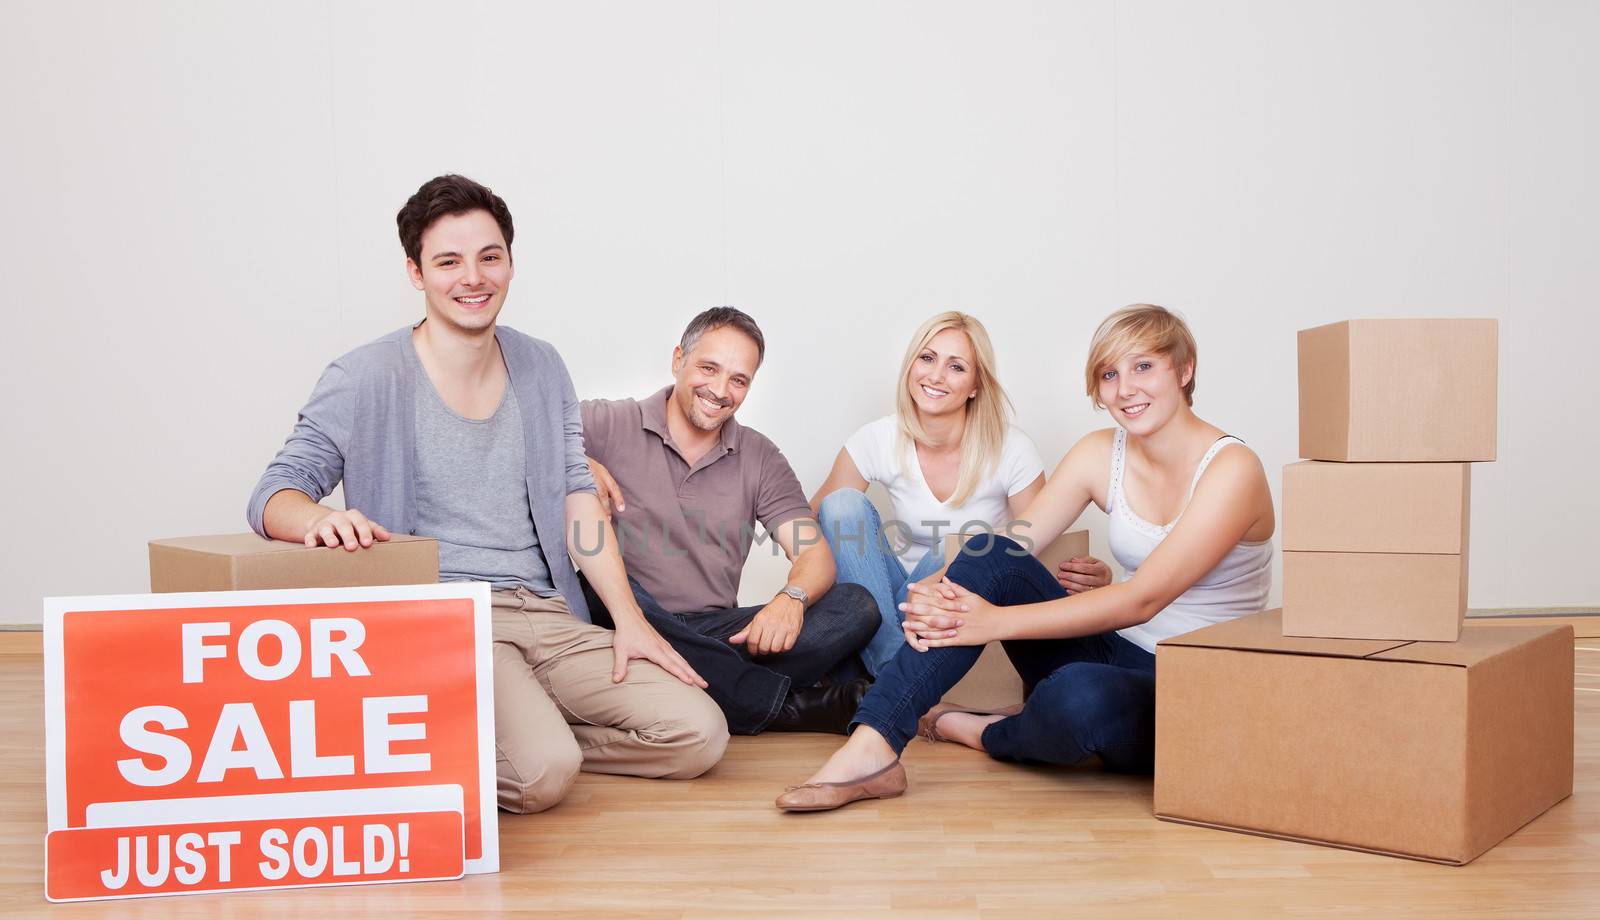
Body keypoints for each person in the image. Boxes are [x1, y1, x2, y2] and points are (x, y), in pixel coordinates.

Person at [247, 174, 726, 816]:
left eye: (489, 257)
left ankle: (528, 734)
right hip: (451, 622)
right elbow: (274, 494)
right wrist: (318, 522)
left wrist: (629, 622)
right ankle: (526, 743)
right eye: (448, 261)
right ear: (417, 273)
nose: (472, 277)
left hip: (551, 613)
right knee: (543, 777)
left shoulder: (540, 365)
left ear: (509, 263)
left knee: (699, 734)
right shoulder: (365, 376)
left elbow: (576, 499)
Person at [776, 304, 1275, 811]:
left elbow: (1144, 598)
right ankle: (873, 747)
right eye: (1109, 373)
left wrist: (992, 621)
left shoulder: (1233, 468)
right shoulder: (1100, 451)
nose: (1125, 389)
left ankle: (978, 728)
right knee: (987, 549)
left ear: (1184, 370)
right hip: (1116, 649)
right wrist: (934, 596)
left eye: (1143, 366)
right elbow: (1015, 544)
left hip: (1194, 679)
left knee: (1078, 696)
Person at [580, 307, 881, 736]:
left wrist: (790, 599)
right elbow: (516, 434)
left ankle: (701, 684)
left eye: (738, 380)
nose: (720, 390)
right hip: (624, 618)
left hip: (718, 632)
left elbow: (814, 555)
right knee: (591, 585)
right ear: (677, 359)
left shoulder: (760, 457)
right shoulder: (607, 422)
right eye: (708, 368)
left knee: (856, 606)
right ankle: (786, 707)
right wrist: (578, 460)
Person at [810, 311, 1110, 678]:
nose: (936, 376)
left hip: (955, 600)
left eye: (956, 367)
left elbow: (1037, 546)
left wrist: (1090, 578)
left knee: (963, 545)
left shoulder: (1011, 448)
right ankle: (893, 667)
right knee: (840, 505)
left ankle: (874, 672)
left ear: (975, 386)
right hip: (888, 600)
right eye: (927, 358)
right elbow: (806, 524)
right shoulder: (877, 439)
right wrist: (797, 596)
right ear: (910, 368)